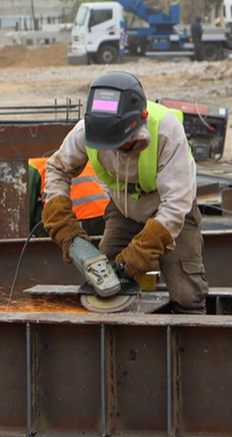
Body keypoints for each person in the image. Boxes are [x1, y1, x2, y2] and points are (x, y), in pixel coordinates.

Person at [42, 71, 207, 314]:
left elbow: (176, 205)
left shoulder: (167, 132)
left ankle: (190, 336)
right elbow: (56, 168)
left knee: (187, 294)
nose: (115, 150)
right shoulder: (86, 131)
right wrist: (63, 226)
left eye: (120, 143)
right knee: (103, 282)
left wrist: (144, 249)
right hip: (123, 209)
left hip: (172, 211)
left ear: (137, 124)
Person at [28, 157, 109, 236]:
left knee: (40, 210)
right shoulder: (82, 160)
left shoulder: (33, 166)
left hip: (72, 220)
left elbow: (27, 208)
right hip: (102, 217)